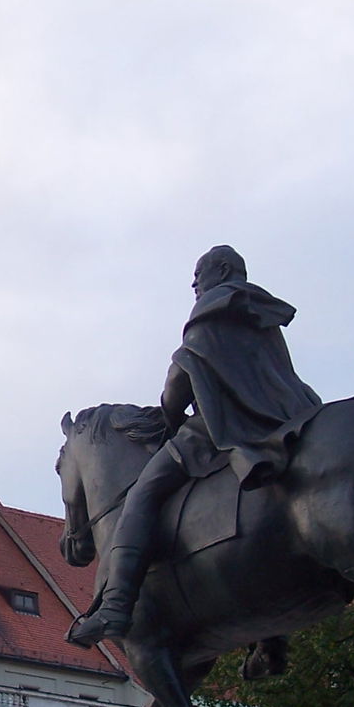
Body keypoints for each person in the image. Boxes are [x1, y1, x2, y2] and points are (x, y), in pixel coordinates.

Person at [68, 245, 321, 649]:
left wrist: (169, 413)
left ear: (221, 270)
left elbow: (183, 373)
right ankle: (268, 638)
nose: (194, 285)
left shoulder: (214, 309)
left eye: (198, 275)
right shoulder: (261, 312)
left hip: (222, 426)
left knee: (142, 496)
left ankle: (116, 604)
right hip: (284, 420)